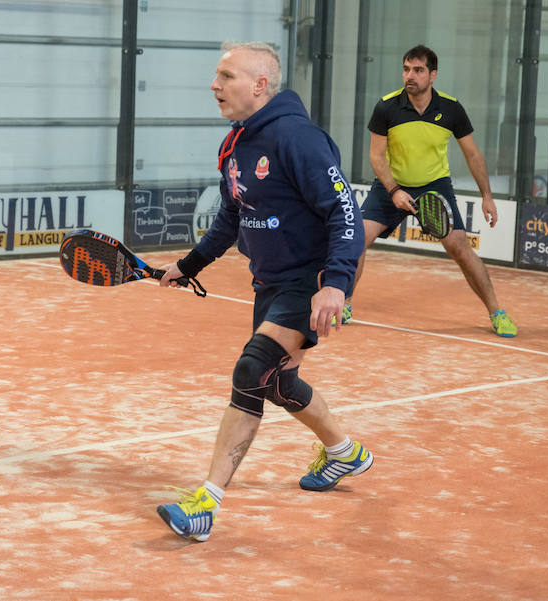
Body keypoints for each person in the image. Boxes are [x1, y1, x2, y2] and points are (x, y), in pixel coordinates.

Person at [154, 41, 372, 543]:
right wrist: (189, 265)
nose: (214, 85)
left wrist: (336, 284)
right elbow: (232, 215)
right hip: (269, 282)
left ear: (259, 85)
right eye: (216, 75)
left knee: (251, 369)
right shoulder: (237, 141)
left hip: (310, 280)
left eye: (226, 76)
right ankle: (345, 453)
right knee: (276, 383)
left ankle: (205, 503)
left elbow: (346, 215)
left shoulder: (299, 139)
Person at [342, 44, 517, 337]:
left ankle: (497, 312)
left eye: (418, 70)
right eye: (406, 69)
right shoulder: (386, 106)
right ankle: (344, 303)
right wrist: (394, 190)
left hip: (435, 187)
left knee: (459, 247)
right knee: (356, 240)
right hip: (390, 186)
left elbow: (472, 154)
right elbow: (376, 157)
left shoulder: (451, 109)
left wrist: (487, 195)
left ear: (432, 75)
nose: (410, 75)